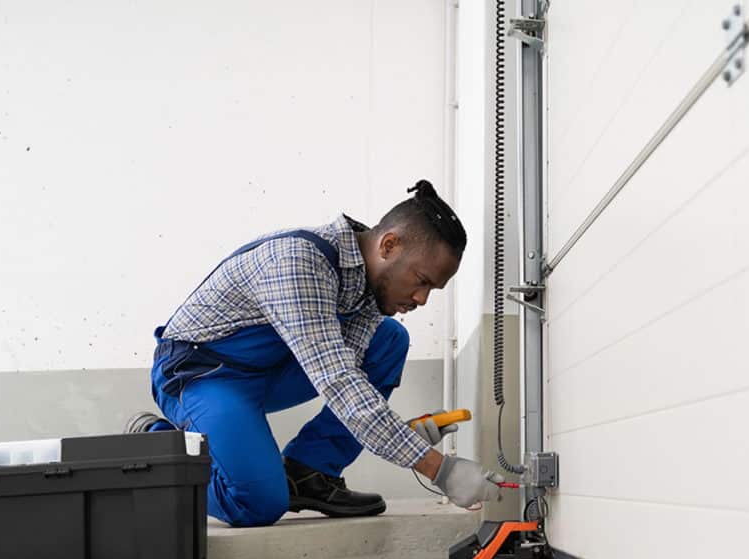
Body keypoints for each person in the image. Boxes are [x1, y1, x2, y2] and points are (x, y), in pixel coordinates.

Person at [127, 180, 503, 527]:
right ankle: (158, 445)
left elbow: (351, 380)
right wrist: (440, 469)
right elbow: (339, 384)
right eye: (422, 282)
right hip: (202, 375)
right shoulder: (298, 261)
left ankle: (310, 472)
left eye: (432, 290)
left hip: (269, 371)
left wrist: (403, 435)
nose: (421, 299)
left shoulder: (370, 289)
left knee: (389, 339)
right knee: (257, 503)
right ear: (389, 246)